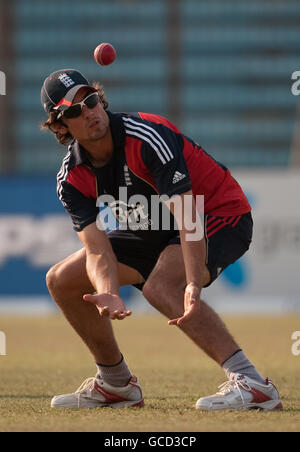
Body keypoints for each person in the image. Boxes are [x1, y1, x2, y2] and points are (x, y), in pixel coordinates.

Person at [41, 69, 282, 411]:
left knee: (162, 287)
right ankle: (116, 384)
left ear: (100, 99)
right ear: (60, 126)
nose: (90, 112)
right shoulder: (71, 178)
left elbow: (188, 218)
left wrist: (193, 285)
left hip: (217, 212)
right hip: (152, 224)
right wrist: (108, 291)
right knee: (61, 281)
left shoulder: (147, 136)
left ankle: (254, 384)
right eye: (75, 110)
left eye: (90, 100)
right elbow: (97, 249)